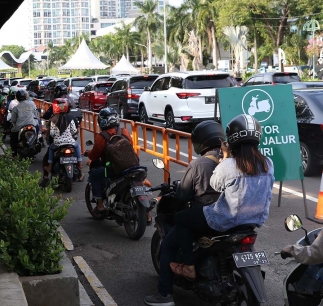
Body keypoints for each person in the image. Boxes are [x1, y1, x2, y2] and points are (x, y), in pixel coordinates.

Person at [146, 114, 274, 306]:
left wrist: (225, 156)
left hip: (224, 220)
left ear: (231, 141)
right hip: (253, 221)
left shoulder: (228, 164)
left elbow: (216, 183)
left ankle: (178, 279)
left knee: (181, 218)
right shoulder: (267, 163)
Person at [145, 121, 225, 306]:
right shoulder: (232, 161)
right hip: (232, 218)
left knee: (169, 244)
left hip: (206, 218)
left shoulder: (199, 164)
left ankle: (164, 295)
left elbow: (182, 195)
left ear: (200, 142)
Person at [83, 107, 134, 214]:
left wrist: (88, 153)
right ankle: (147, 215)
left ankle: (100, 205)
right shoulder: (124, 131)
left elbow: (95, 156)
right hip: (132, 166)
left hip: (113, 170)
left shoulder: (102, 137)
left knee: (94, 175)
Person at [43, 98, 84, 180]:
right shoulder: (71, 118)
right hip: (70, 142)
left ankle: (50, 166)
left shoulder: (53, 119)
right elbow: (74, 131)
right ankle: (80, 164)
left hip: (57, 143)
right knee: (77, 147)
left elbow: (52, 133)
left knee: (51, 149)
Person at [10, 90, 37, 157]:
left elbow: (13, 120)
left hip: (20, 126)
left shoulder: (16, 108)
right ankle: (38, 141)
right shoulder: (32, 103)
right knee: (38, 133)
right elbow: (36, 114)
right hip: (33, 124)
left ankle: (13, 155)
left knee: (13, 138)